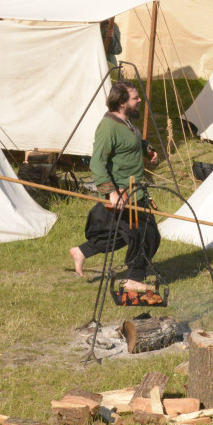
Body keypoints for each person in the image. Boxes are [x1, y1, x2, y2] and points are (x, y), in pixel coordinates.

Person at [69, 82, 160, 291]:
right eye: (135, 98)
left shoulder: (126, 122)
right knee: (145, 233)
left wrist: (148, 149)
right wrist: (111, 192)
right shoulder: (108, 126)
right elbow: (97, 162)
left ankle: (81, 252)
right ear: (121, 102)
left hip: (135, 192)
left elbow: (132, 141)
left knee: (120, 235)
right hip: (121, 192)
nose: (139, 101)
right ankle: (134, 279)